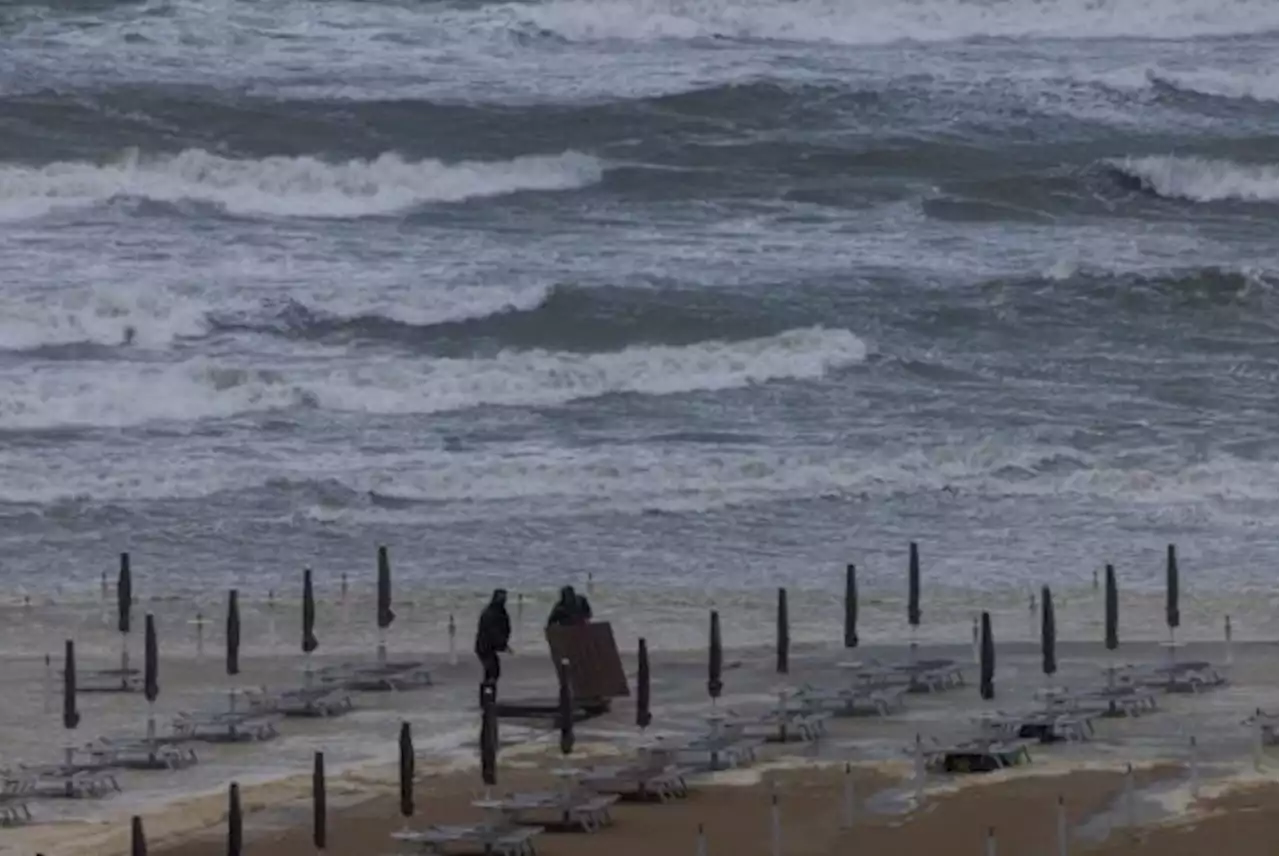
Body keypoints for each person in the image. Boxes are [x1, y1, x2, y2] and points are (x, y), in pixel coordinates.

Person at [474, 589, 511, 703]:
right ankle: (487, 700)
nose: (503, 600)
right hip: (485, 646)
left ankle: (487, 699)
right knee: (492, 671)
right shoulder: (491, 613)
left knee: (491, 671)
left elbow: (503, 628)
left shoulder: (498, 611)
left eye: (504, 598)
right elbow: (492, 631)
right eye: (501, 598)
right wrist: (502, 644)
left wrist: (503, 643)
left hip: (488, 646)